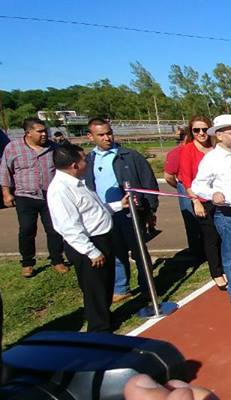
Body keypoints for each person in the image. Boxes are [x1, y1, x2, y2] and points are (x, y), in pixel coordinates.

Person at [47, 143, 128, 332]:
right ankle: (99, 329)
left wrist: (118, 205)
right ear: (74, 165)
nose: (87, 162)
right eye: (84, 159)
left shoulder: (79, 182)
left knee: (106, 283)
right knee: (95, 289)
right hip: (89, 244)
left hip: (102, 237)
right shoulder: (60, 190)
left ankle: (106, 317)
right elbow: (68, 226)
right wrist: (91, 252)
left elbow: (94, 210)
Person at [83, 118, 159, 303]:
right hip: (104, 215)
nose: (107, 138)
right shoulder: (88, 160)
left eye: (109, 133)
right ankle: (121, 287)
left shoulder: (130, 156)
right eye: (101, 135)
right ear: (90, 136)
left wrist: (150, 210)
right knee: (116, 253)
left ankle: (147, 286)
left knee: (139, 251)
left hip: (130, 213)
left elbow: (149, 184)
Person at [190, 115, 231, 310]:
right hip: (228, 214)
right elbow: (198, 185)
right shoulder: (211, 159)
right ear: (219, 136)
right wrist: (213, 193)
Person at [0, 117, 67, 278]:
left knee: (54, 229)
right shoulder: (13, 148)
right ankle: (27, 263)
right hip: (25, 196)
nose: (44, 134)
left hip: (50, 196)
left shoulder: (54, 147)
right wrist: (6, 193)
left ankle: (57, 259)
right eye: (40, 131)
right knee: (27, 230)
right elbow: (4, 171)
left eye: (45, 131)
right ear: (28, 133)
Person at [177, 116, 224, 291]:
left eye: (204, 129)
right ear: (192, 132)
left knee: (223, 235)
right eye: (197, 130)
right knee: (211, 237)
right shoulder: (188, 150)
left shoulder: (216, 149)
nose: (201, 133)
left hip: (221, 199)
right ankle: (217, 272)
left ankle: (225, 267)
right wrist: (196, 201)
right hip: (203, 200)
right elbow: (187, 179)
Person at [163, 128, 203, 260]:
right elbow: (168, 176)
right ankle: (196, 250)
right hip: (185, 185)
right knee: (191, 219)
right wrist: (182, 188)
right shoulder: (177, 153)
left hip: (202, 184)